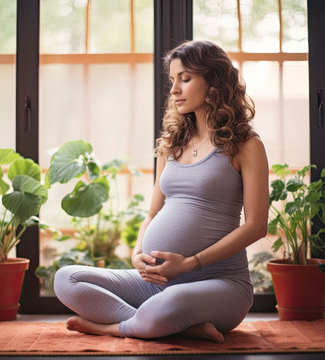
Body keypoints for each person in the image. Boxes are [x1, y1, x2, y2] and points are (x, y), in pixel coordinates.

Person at [54, 40, 269, 343]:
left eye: (185, 78)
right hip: (155, 282)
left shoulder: (246, 145)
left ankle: (112, 327)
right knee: (66, 279)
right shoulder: (173, 142)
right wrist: (137, 254)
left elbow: (256, 226)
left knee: (167, 305)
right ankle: (180, 326)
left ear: (214, 81)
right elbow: (153, 212)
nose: (174, 90)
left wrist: (189, 263)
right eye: (172, 80)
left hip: (220, 283)